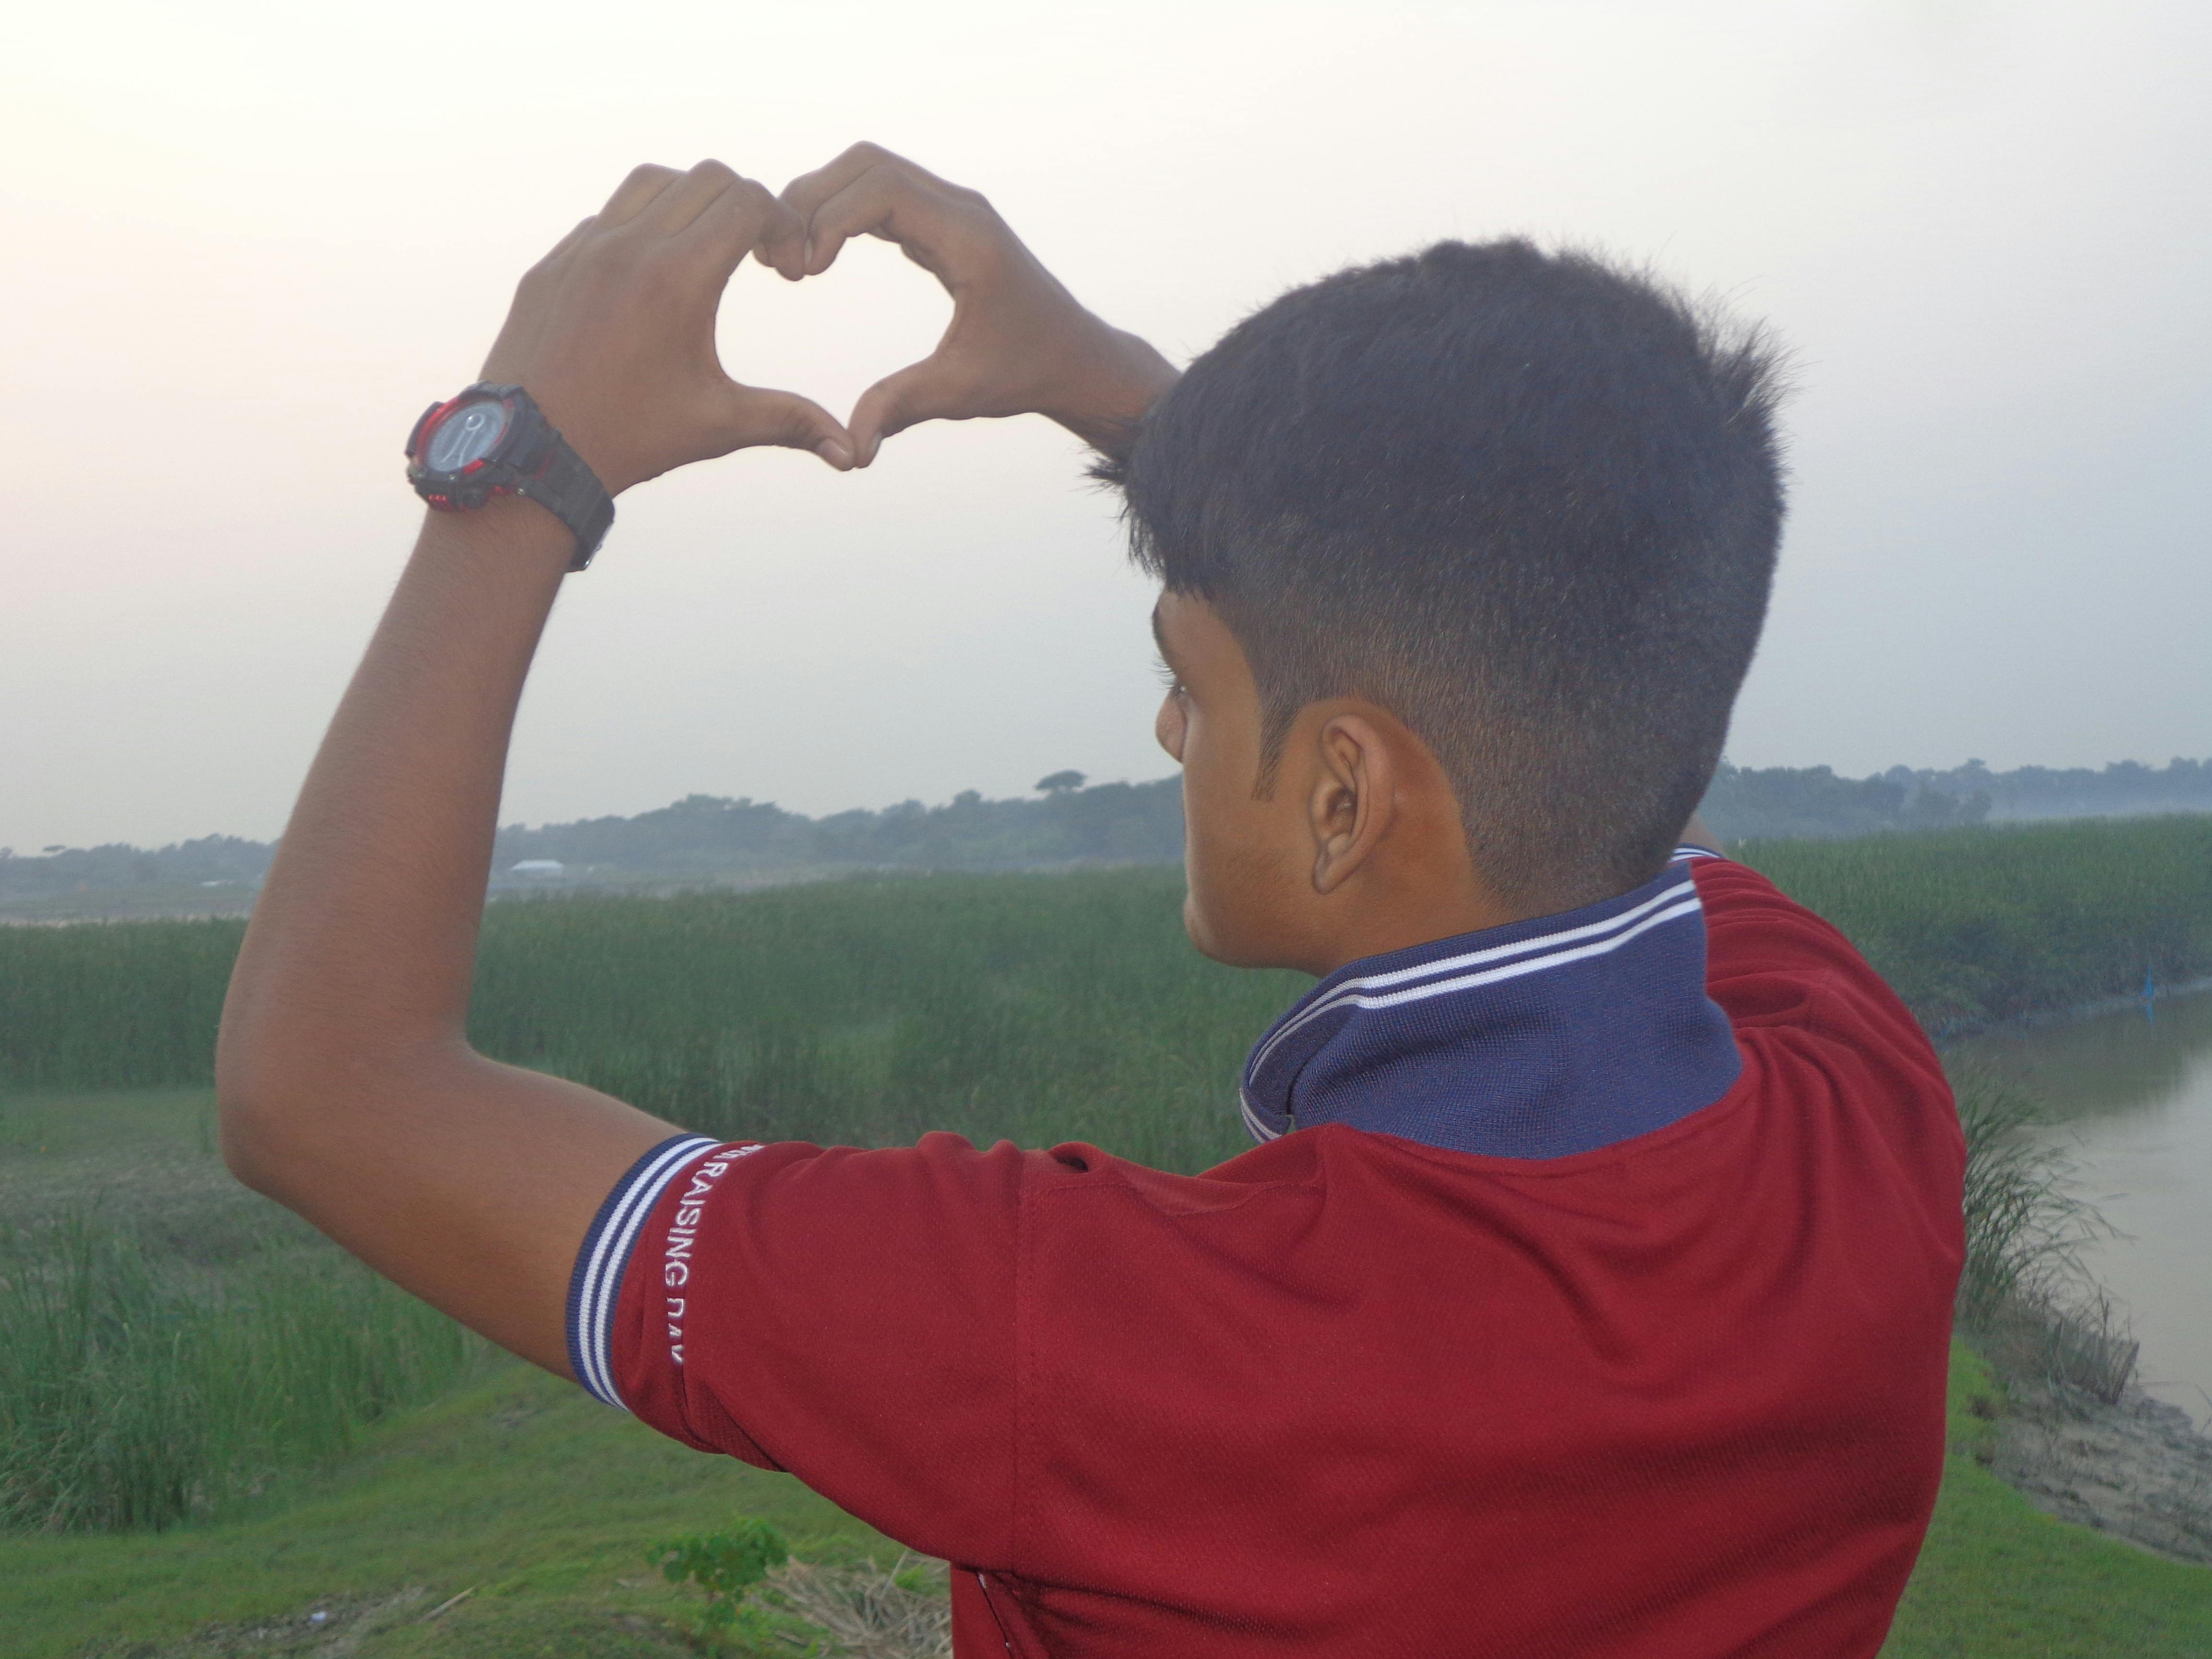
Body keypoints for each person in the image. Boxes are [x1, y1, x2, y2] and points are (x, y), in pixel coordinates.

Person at [217, 145, 1965, 1658]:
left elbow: (327, 1090)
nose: (1168, 734)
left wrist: (518, 465)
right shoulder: (1864, 1100)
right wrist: (1132, 400)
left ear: (1343, 799)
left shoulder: (1096, 1339)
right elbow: (1579, 731)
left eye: (1187, 683)